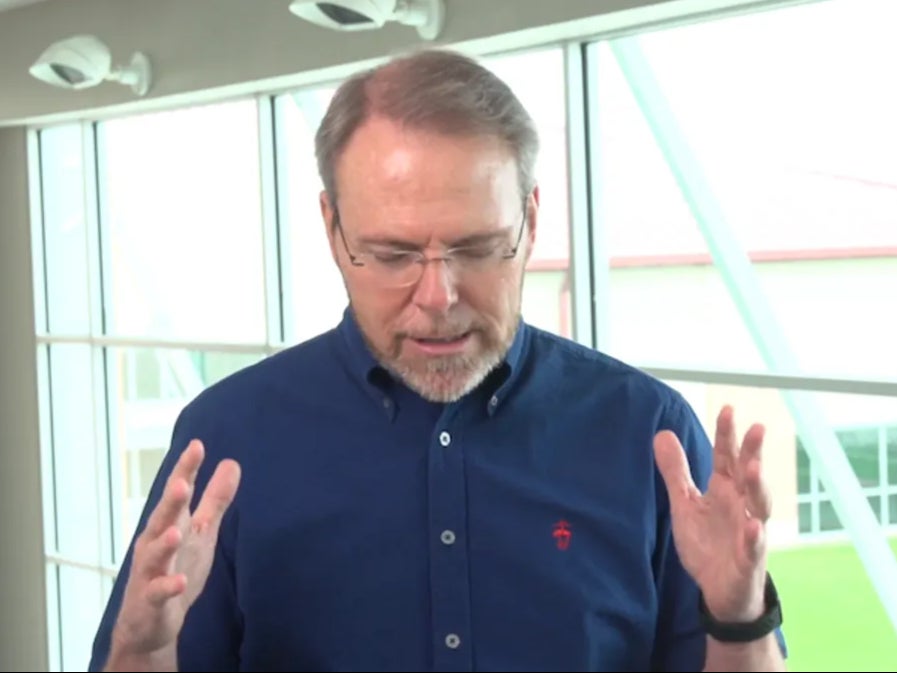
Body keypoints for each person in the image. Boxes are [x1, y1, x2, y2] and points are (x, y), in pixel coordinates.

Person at [88, 47, 787, 672]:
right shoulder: (228, 438)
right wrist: (142, 651)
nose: (437, 295)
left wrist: (738, 615)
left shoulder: (649, 433)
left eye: (477, 247)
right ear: (333, 230)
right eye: (392, 254)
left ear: (531, 220)